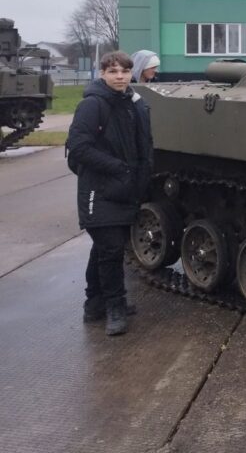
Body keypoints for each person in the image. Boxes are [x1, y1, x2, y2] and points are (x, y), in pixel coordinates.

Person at [67, 51, 153, 335]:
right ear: (102, 73)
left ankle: (94, 303)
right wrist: (118, 167)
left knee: (105, 247)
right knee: (111, 248)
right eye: (113, 71)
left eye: (124, 71)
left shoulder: (133, 102)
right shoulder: (93, 104)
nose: (119, 77)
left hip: (125, 187)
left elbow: (144, 143)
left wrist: (141, 176)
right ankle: (115, 306)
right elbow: (78, 147)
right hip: (99, 187)